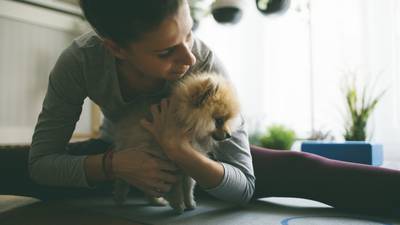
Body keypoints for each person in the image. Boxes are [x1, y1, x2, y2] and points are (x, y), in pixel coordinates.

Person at [2, 0, 399, 218]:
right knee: (13, 166)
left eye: (189, 31)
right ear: (116, 48)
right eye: (166, 51)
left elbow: (242, 184)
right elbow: (42, 163)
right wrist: (113, 165)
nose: (189, 57)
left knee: (302, 167)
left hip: (198, 152)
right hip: (120, 152)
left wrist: (180, 152)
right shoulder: (81, 62)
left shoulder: (204, 63)